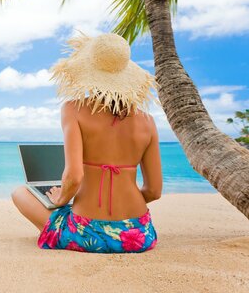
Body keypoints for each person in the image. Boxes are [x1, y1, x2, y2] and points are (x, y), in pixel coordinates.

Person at [11, 32, 162, 253]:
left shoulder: (73, 109)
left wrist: (61, 198)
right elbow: (154, 191)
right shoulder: (148, 122)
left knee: (20, 193)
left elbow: (74, 176)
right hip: (138, 233)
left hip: (86, 232)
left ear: (88, 72)